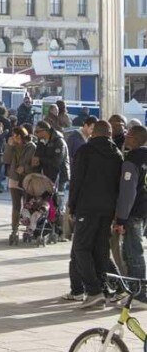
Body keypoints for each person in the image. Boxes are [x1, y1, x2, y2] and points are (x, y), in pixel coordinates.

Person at [67, 119, 123, 308]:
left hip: (87, 207)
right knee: (100, 249)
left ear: (93, 133)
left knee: (81, 248)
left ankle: (93, 290)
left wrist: (71, 206)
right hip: (107, 209)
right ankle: (105, 289)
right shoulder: (117, 154)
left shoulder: (85, 151)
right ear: (109, 134)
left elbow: (76, 180)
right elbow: (119, 186)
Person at [114, 123, 147, 306]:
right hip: (144, 210)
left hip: (133, 212)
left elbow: (128, 191)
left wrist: (121, 219)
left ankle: (140, 296)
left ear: (135, 139)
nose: (125, 138)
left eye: (128, 136)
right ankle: (136, 293)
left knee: (133, 253)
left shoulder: (132, 160)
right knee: (134, 252)